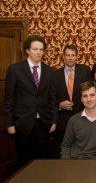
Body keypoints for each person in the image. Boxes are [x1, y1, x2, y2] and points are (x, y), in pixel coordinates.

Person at [3, 35, 58, 167]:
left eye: (41, 49)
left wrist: (54, 121)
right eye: (35, 49)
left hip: (44, 123)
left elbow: (53, 99)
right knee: (24, 160)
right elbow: (9, 98)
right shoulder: (15, 69)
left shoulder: (50, 71)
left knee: (42, 161)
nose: (39, 52)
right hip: (22, 122)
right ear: (27, 50)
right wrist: (9, 123)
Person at [53, 44, 91, 158]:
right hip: (62, 121)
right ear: (63, 56)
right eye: (68, 55)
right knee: (63, 151)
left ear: (76, 57)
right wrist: (59, 104)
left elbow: (89, 91)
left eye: (73, 55)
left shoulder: (85, 70)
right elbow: (50, 96)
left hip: (81, 118)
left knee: (81, 151)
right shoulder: (55, 74)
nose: (70, 58)